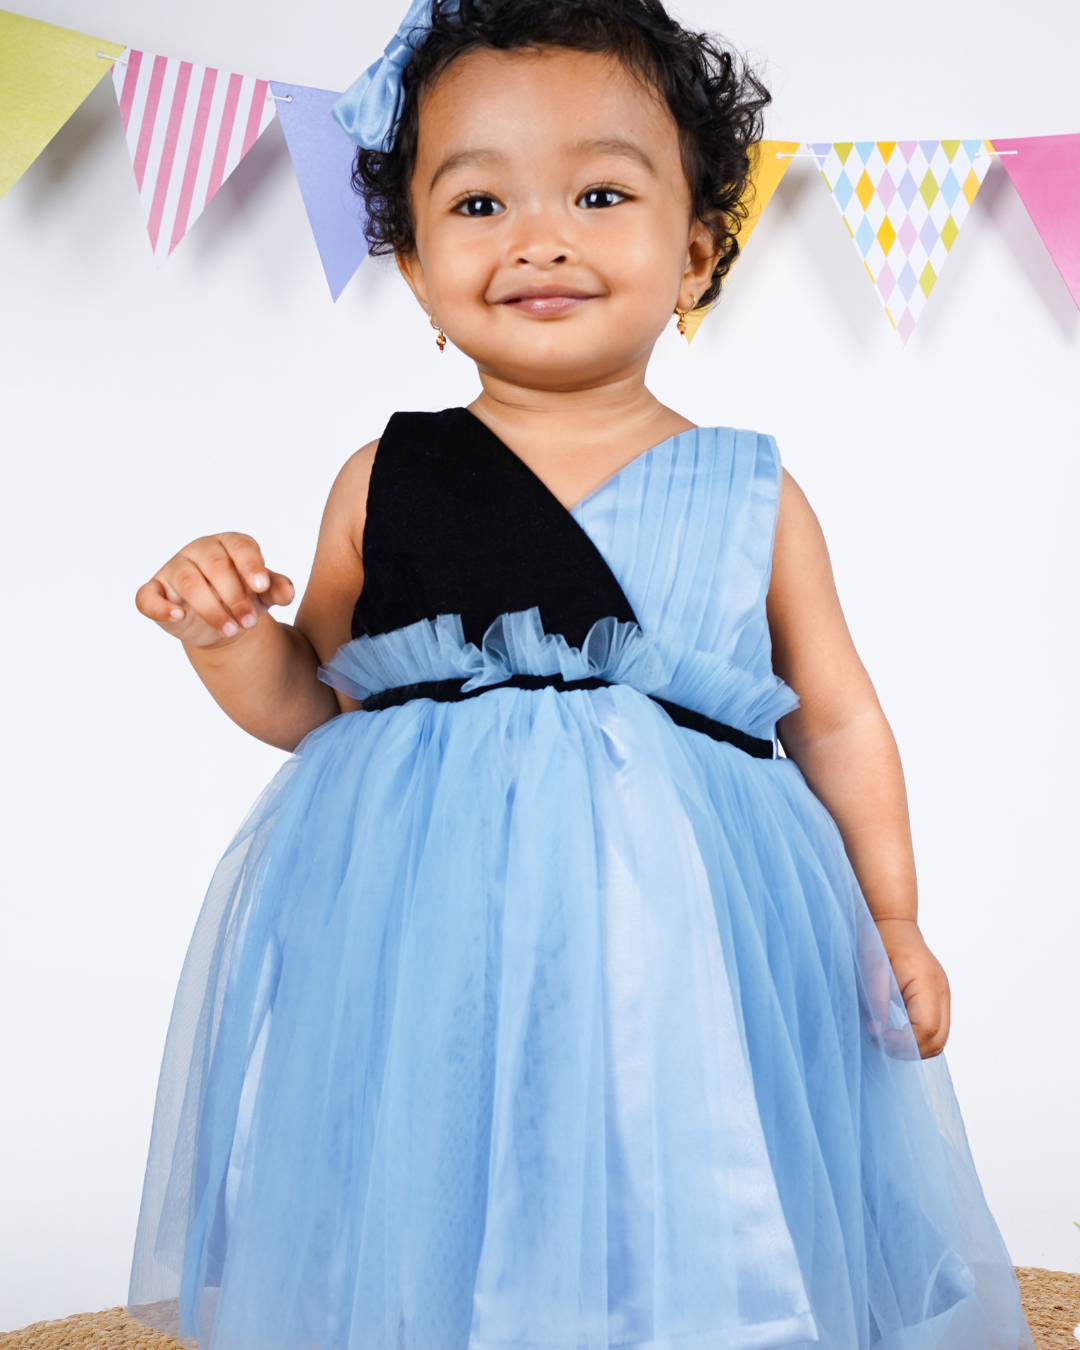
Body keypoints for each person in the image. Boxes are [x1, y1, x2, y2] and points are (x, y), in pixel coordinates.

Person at [129, 1, 1031, 1347]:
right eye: (480, 200)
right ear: (420, 278)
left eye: (600, 191)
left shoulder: (752, 488)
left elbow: (839, 714)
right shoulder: (385, 478)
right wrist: (225, 634)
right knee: (440, 1155)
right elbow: (313, 701)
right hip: (431, 931)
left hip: (696, 932)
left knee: (687, 1148)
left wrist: (893, 919)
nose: (540, 234)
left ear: (697, 253)